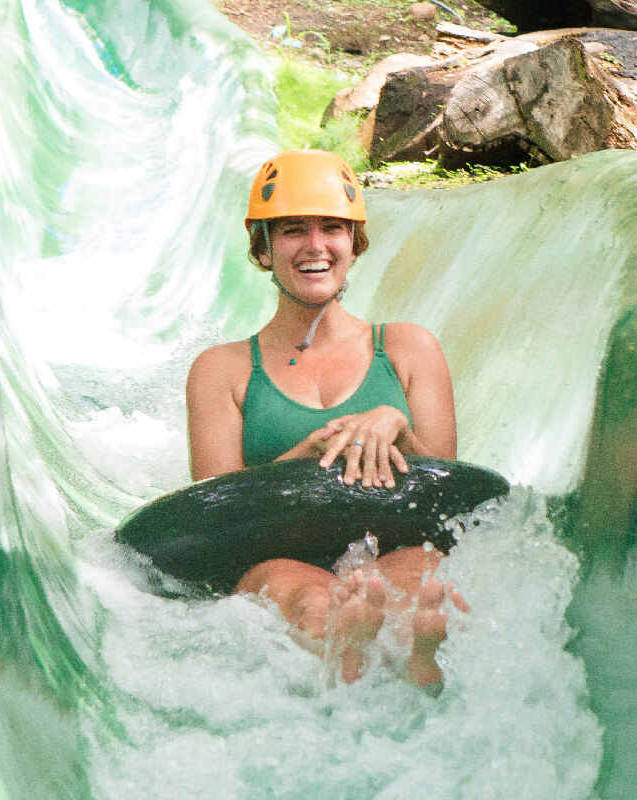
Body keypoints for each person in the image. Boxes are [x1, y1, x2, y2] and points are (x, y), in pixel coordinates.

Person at [186, 149, 465, 686]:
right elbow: (215, 521)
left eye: (333, 228)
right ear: (263, 250)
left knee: (417, 583)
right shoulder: (220, 370)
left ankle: (417, 657)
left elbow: (449, 503)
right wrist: (304, 456)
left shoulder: (408, 348)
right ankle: (345, 649)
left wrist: (400, 428)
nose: (316, 246)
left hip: (394, 543)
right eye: (293, 231)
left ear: (354, 244)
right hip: (279, 557)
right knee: (312, 600)